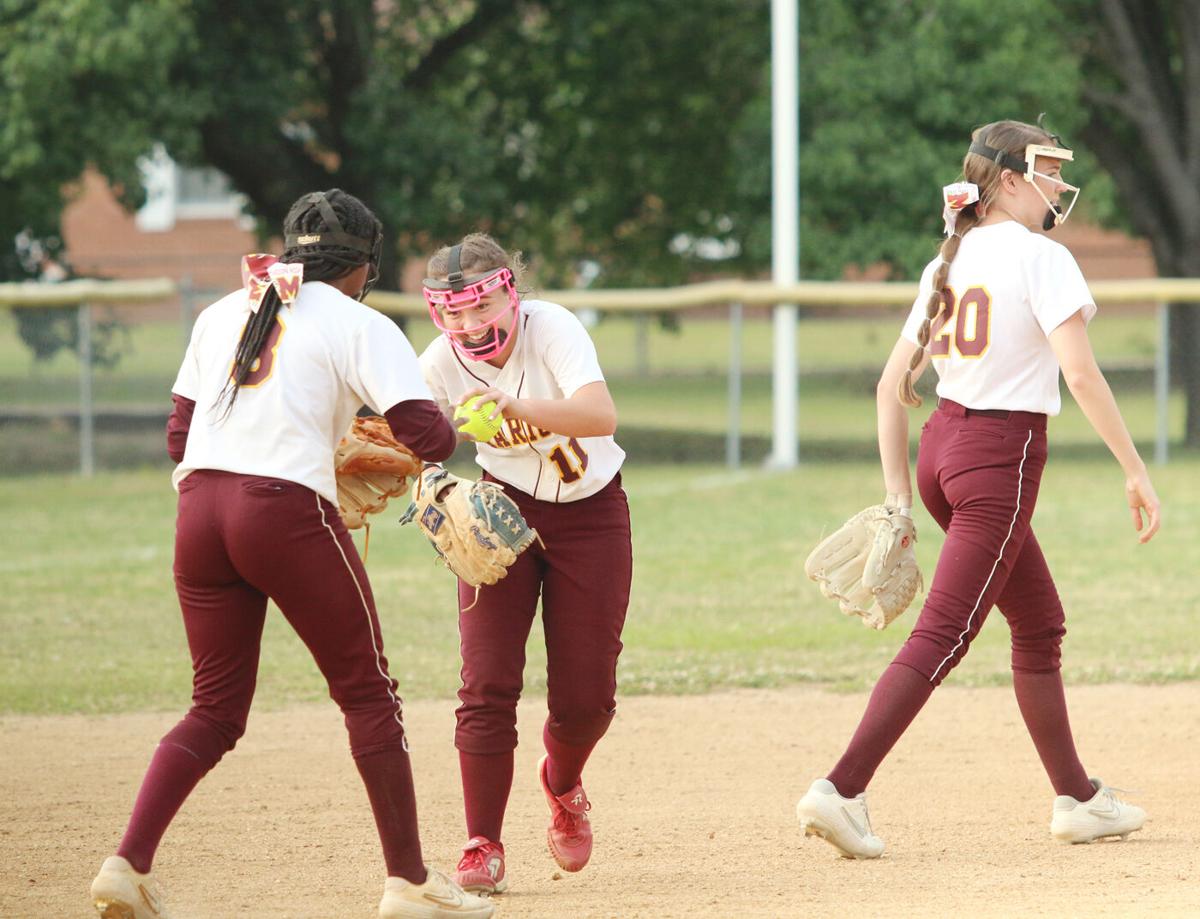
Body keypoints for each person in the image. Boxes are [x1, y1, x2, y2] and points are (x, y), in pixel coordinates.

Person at [90, 190, 492, 919]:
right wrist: (454, 426)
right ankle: (408, 882)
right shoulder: (360, 321)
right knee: (368, 693)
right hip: (281, 515)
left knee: (213, 709)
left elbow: (179, 440)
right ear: (363, 265)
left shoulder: (222, 311)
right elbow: (425, 436)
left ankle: (126, 864)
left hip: (199, 514)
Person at [795, 120, 1162, 859]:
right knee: (944, 635)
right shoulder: (1041, 257)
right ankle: (841, 787)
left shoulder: (951, 259)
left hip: (943, 455)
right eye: (1048, 170)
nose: (1060, 183)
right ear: (1009, 180)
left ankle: (1079, 798)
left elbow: (889, 387)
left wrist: (901, 497)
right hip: (999, 458)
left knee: (1038, 622)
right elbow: (1081, 375)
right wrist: (1135, 465)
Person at [416, 233, 632, 896]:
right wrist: (433, 488)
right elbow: (410, 447)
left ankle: (562, 781)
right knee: (485, 681)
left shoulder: (552, 328)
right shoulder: (439, 364)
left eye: (479, 307)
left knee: (587, 699)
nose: (468, 325)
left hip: (590, 515)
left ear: (510, 292)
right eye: (452, 312)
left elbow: (600, 414)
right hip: (500, 515)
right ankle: (483, 840)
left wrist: (518, 408)